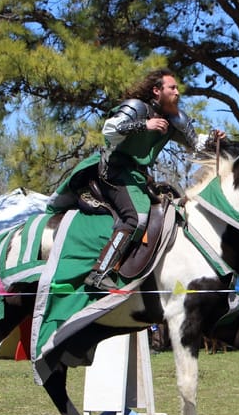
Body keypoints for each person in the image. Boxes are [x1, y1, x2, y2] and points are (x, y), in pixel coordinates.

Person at [47, 68, 225, 289]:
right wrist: (144, 124)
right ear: (156, 90)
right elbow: (110, 130)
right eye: (172, 87)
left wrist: (212, 139)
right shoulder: (137, 107)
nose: (177, 92)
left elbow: (195, 145)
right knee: (137, 217)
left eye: (177, 88)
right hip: (114, 172)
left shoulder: (176, 119)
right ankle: (100, 272)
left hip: (139, 176)